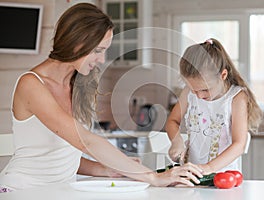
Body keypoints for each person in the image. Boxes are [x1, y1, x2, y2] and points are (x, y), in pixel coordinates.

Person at [0, 3, 203, 192]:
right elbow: (86, 141)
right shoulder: (31, 84)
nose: (102, 59)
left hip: (61, 191)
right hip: (21, 190)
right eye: (98, 50)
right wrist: (153, 177)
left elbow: (63, 156)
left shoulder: (77, 85)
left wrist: (107, 169)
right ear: (77, 43)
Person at [166, 38, 262, 175]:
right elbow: (172, 121)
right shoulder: (188, 93)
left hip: (223, 176)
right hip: (192, 174)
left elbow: (239, 144)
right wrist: (176, 142)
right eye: (194, 89)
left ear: (223, 75)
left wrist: (209, 168)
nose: (199, 96)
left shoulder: (236, 98)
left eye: (205, 89)